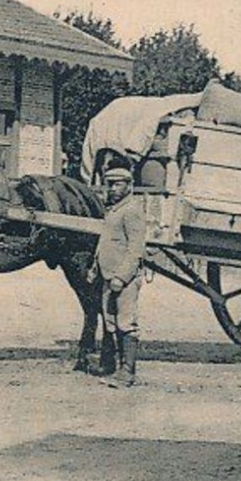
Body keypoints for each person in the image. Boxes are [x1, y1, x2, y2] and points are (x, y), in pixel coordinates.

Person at [95, 159, 149, 388]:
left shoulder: (132, 211)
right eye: (110, 184)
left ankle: (128, 372)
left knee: (126, 322)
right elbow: (104, 241)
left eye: (118, 184)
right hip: (108, 275)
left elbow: (136, 248)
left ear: (128, 185)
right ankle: (115, 367)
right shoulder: (114, 210)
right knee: (111, 322)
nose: (113, 189)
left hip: (123, 279)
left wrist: (121, 277)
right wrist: (94, 269)